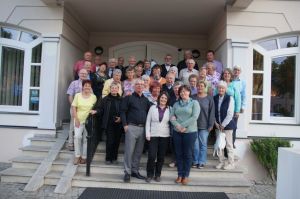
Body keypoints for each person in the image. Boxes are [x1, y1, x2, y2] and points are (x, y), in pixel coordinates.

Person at [121, 79, 152, 183]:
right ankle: (127, 172)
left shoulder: (146, 100)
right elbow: (123, 111)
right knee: (129, 151)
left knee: (138, 152)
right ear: (134, 86)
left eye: (142, 85)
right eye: (137, 84)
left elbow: (153, 110)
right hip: (131, 128)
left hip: (143, 129)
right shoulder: (128, 98)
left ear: (144, 87)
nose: (139, 86)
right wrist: (125, 125)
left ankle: (135, 171)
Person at [170, 85, 200, 185]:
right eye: (181, 91)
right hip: (177, 132)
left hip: (190, 132)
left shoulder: (194, 103)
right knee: (179, 154)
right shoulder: (176, 104)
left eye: (185, 91)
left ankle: (185, 175)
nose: (183, 93)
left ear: (189, 92)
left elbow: (194, 117)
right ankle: (179, 175)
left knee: (187, 154)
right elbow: (171, 117)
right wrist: (178, 127)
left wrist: (182, 125)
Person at [92, 82, 122, 164]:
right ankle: (108, 158)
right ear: (110, 89)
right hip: (109, 124)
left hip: (119, 124)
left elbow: (124, 111)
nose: (114, 89)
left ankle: (114, 158)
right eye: (112, 88)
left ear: (118, 90)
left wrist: (121, 118)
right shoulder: (105, 99)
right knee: (110, 141)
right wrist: (96, 111)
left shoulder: (121, 99)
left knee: (116, 142)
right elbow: (100, 109)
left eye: (116, 88)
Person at [145, 92, 171, 183]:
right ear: (159, 98)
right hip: (153, 135)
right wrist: (147, 133)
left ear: (167, 100)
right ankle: (149, 174)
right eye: (162, 98)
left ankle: (158, 174)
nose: (163, 100)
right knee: (152, 156)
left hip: (165, 135)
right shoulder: (152, 108)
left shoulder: (170, 109)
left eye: (165, 98)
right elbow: (148, 121)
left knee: (161, 157)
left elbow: (172, 121)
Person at [72, 80, 97, 165]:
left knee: (86, 139)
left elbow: (95, 108)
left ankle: (84, 157)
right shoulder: (77, 95)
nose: (87, 87)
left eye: (89, 86)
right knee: (77, 137)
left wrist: (94, 111)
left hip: (89, 121)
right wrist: (76, 119)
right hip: (78, 120)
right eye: (85, 85)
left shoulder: (94, 97)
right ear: (82, 86)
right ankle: (77, 156)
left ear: (91, 87)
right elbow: (74, 108)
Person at [192, 81, 215, 169]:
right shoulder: (193, 97)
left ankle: (201, 161)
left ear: (205, 87)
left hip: (205, 126)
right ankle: (195, 161)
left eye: (202, 86)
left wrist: (211, 124)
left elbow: (212, 112)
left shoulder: (209, 98)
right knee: (195, 145)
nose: (200, 87)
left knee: (203, 144)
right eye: (198, 86)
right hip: (193, 125)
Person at [214, 81, 236, 170]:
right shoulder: (214, 98)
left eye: (223, 88)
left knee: (229, 145)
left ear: (225, 89)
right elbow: (213, 112)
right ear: (217, 89)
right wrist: (216, 123)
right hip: (218, 126)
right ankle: (221, 162)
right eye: (219, 88)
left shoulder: (230, 98)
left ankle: (231, 163)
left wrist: (223, 125)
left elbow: (230, 113)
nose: (221, 89)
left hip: (228, 126)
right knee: (219, 145)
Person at [66, 68, 88, 151]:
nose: (83, 75)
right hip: (75, 107)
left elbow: (92, 95)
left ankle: (81, 144)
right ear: (78, 74)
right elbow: (70, 95)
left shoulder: (88, 83)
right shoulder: (74, 83)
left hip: (85, 109)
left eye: (85, 74)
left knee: (83, 126)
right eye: (82, 73)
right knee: (73, 125)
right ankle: (71, 143)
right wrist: (73, 106)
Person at [232, 65, 246, 148]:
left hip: (236, 107)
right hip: (227, 106)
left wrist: (243, 106)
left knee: (233, 126)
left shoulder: (242, 82)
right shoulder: (230, 80)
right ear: (233, 71)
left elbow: (244, 95)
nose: (236, 71)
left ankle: (232, 142)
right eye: (235, 70)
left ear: (240, 72)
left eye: (238, 70)